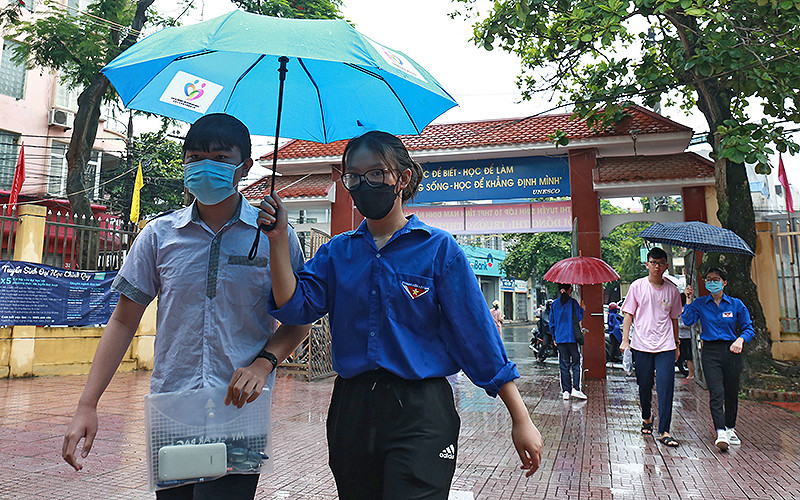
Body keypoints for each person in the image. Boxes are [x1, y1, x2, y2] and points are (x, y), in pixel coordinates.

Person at [258, 130, 543, 499]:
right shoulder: (337, 253)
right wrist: (278, 238)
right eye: (354, 177)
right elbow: (296, 305)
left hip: (421, 410)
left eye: (376, 173)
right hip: (352, 409)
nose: (364, 184)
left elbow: (477, 338)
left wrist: (520, 418)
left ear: (402, 178)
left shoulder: (439, 250)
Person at [61, 114, 311, 500]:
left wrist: (264, 363)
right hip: (173, 408)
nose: (205, 165)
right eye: (195, 156)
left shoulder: (276, 239)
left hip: (239, 412)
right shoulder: (159, 236)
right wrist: (87, 404)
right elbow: (124, 322)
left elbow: (298, 324)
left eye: (220, 157)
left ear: (244, 167)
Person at [682, 267, 754, 451]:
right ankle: (720, 431)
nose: (711, 282)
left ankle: (730, 428)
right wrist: (688, 300)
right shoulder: (700, 303)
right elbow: (688, 321)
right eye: (708, 279)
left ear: (724, 282)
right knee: (715, 391)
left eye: (716, 279)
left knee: (731, 391)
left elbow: (748, 328)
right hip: (710, 351)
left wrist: (740, 340)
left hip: (732, 350)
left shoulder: (736, 304)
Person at [620, 247, 682, 447]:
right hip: (641, 345)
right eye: (653, 263)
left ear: (666, 265)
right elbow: (628, 314)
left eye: (661, 263)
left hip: (665, 346)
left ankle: (664, 430)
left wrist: (677, 343)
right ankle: (647, 416)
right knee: (644, 385)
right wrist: (625, 340)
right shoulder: (637, 287)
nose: (657, 267)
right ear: (647, 264)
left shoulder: (672, 290)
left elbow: (674, 319)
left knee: (666, 387)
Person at [550, 283, 587, 400]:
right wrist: (583, 309)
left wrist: (555, 337)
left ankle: (566, 391)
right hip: (572, 338)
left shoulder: (554, 304)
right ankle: (576, 388)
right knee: (576, 364)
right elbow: (578, 318)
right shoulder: (573, 303)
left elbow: (552, 324)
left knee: (563, 365)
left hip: (560, 339)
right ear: (569, 289)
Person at [677, 293, 695, 379]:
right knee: (683, 355)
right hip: (681, 336)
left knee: (689, 356)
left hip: (687, 336)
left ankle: (691, 374)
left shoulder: (685, 310)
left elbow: (687, 323)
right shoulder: (679, 310)